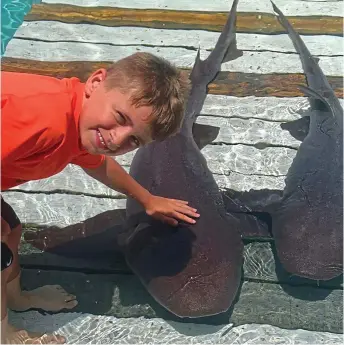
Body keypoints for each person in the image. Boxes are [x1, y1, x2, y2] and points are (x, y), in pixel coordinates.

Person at [1, 52, 200, 344]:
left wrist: (147, 199)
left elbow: (99, 164)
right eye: (120, 117)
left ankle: (16, 298)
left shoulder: (82, 120)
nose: (117, 140)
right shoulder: (45, 121)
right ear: (96, 82)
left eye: (134, 140)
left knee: (12, 230)